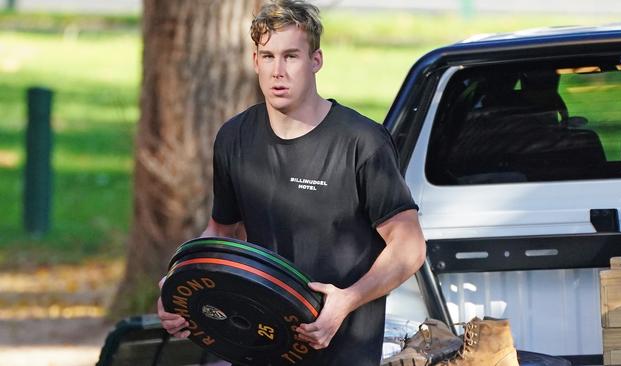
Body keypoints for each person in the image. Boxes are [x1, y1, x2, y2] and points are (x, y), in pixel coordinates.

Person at [157, 0, 426, 365]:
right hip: (259, 343)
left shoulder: (361, 141)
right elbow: (221, 230)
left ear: (315, 61)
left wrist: (347, 300)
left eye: (291, 56)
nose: (277, 71)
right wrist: (178, 284)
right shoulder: (234, 137)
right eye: (267, 56)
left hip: (341, 349)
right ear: (255, 62)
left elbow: (409, 246)